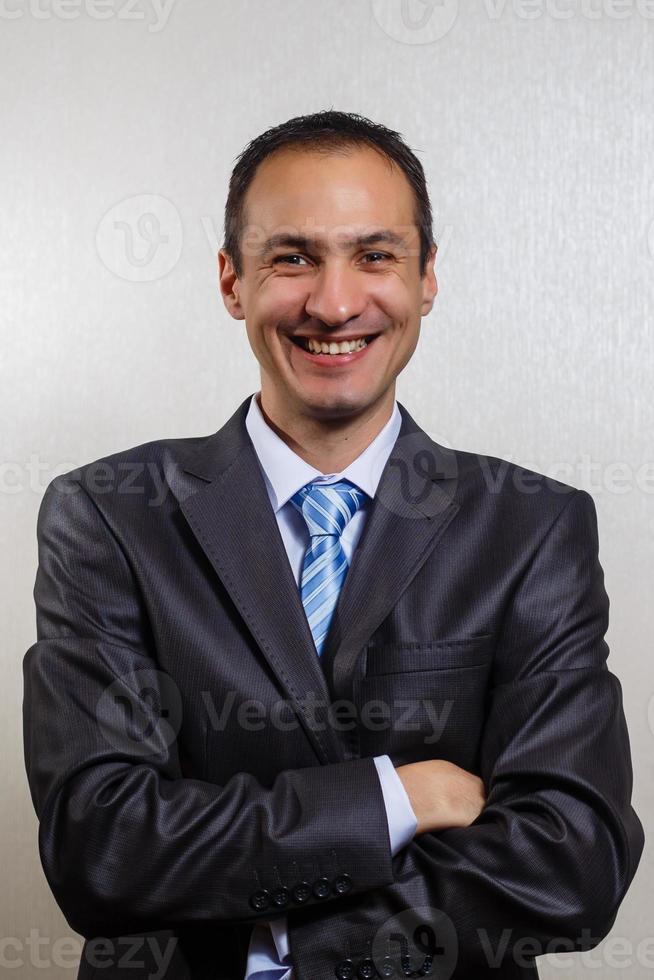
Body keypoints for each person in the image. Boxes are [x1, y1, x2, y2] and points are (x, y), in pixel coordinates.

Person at [23, 110, 644, 980]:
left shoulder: (532, 527)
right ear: (232, 281)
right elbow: (103, 848)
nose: (336, 302)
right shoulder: (107, 516)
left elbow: (572, 862)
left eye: (376, 255)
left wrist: (273, 932)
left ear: (428, 278)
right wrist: (398, 796)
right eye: (293, 256)